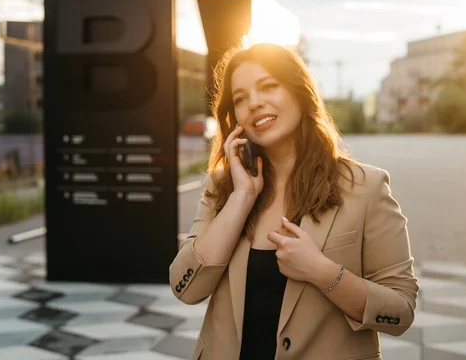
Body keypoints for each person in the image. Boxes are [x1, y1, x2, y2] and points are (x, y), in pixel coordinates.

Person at [169, 42, 419, 360]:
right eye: (241, 98)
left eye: (268, 86)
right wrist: (242, 197)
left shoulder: (365, 187)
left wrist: (323, 272)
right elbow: (185, 288)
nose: (255, 103)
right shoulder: (225, 187)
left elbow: (401, 312)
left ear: (299, 91)